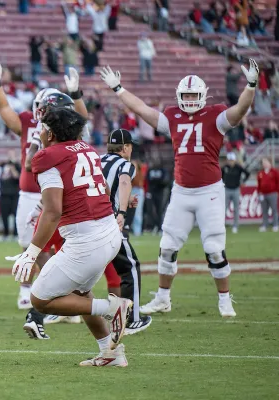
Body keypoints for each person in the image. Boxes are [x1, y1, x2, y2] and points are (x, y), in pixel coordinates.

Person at [100, 58, 260, 318]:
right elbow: (141, 109)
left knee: (213, 247)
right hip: (182, 190)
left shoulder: (215, 115)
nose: (188, 99)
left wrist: (251, 85)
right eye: (185, 95)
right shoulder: (173, 117)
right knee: (167, 245)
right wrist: (118, 88)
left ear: (203, 96)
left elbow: (240, 109)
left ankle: (224, 299)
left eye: (193, 95)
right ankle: (163, 298)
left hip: (209, 191)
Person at [11, 106, 132, 366]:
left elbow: (53, 212)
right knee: (80, 292)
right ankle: (110, 353)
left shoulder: (48, 157)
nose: (40, 132)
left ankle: (112, 308)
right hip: (108, 231)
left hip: (87, 239)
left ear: (52, 134)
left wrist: (31, 253)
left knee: (40, 299)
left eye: (44, 128)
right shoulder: (86, 149)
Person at [0, 56, 88, 310]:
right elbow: (4, 110)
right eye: (44, 107)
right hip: (30, 193)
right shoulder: (28, 122)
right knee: (27, 243)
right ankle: (28, 288)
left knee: (61, 245)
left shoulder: (64, 127)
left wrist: (76, 94)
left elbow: (81, 120)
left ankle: (63, 291)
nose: (44, 112)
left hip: (57, 193)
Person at [101, 129, 152, 335]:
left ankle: (44, 312)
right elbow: (123, 182)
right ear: (125, 147)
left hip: (88, 222)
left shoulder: (98, 160)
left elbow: (103, 187)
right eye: (130, 146)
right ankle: (133, 319)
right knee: (130, 267)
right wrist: (121, 211)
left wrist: (123, 200)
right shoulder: (125, 164)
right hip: (108, 223)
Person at [222, 152, 249, 234]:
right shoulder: (224, 167)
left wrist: (243, 181)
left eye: (232, 160)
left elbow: (247, 173)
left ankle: (235, 226)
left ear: (234, 160)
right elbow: (220, 175)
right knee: (224, 208)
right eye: (229, 160)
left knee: (236, 209)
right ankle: (221, 225)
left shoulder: (238, 167)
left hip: (236, 189)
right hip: (226, 189)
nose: (230, 161)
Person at [257, 157, 279, 232]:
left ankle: (275, 225)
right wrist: (259, 193)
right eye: (263, 163)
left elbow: (277, 182)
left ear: (270, 163)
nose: (264, 164)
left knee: (274, 210)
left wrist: (277, 192)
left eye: (266, 162)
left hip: (272, 193)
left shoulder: (274, 172)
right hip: (263, 194)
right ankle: (265, 225)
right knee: (264, 210)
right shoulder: (260, 173)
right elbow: (259, 184)